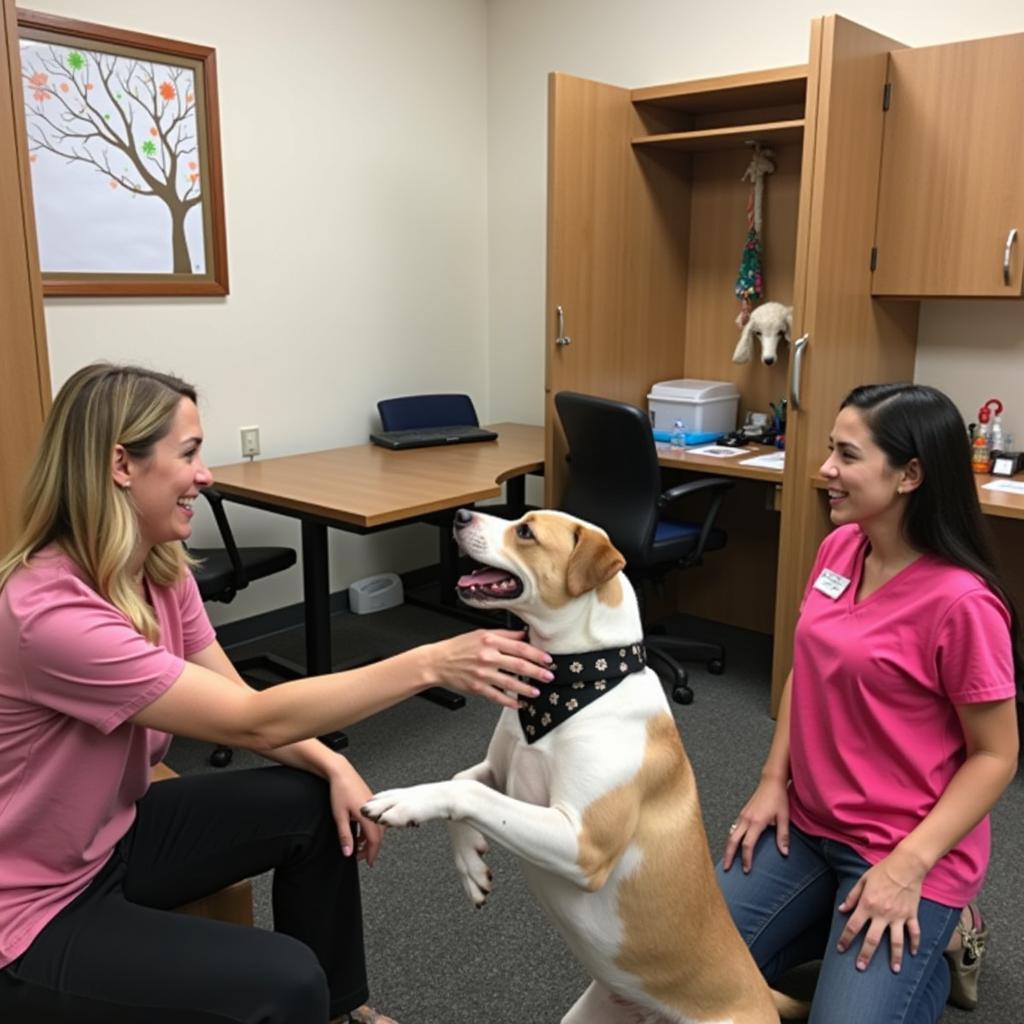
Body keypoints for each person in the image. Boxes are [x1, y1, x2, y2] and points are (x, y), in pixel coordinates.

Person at [0, 363, 555, 1024]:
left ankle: (345, 1011)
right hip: (32, 909)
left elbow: (232, 693)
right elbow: (251, 721)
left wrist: (333, 763)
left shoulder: (154, 565)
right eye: (190, 453)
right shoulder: (50, 615)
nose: (205, 474)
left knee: (314, 806)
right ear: (122, 464)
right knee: (284, 984)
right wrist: (430, 663)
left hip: (109, 835)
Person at [717, 383, 1020, 1024]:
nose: (825, 469)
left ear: (910, 474)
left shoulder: (962, 604)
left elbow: (997, 755)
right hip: (807, 822)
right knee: (679, 970)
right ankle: (836, 933)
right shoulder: (841, 547)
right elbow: (810, 666)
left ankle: (937, 951)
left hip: (908, 844)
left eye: (847, 456)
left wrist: (907, 867)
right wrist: (774, 780)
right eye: (831, 450)